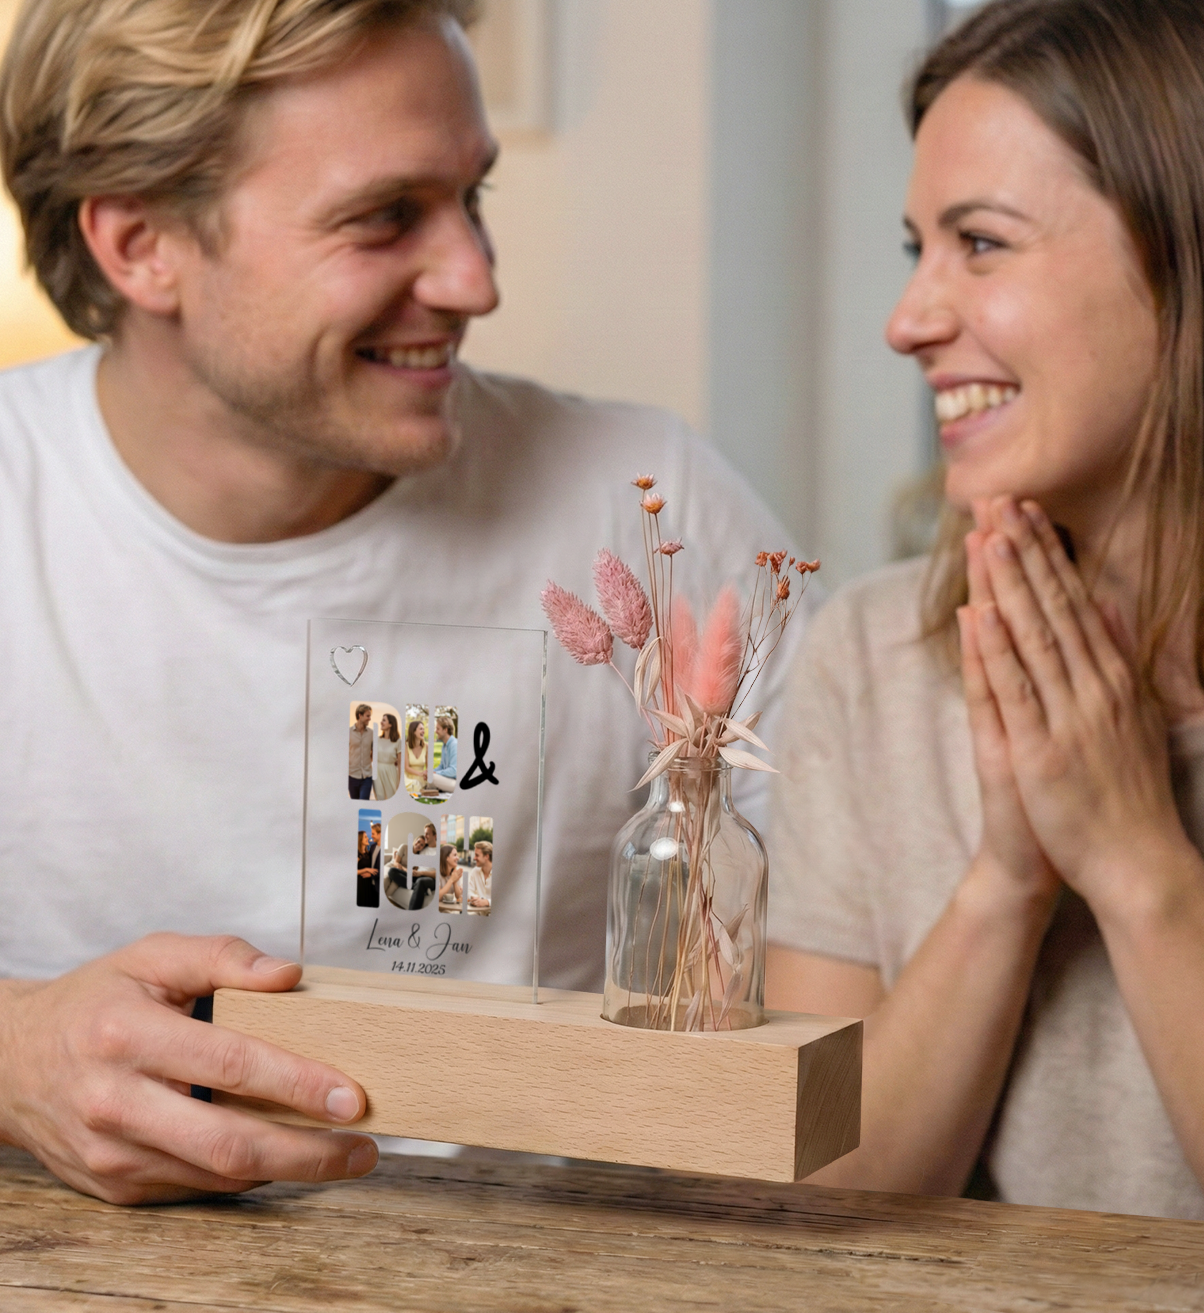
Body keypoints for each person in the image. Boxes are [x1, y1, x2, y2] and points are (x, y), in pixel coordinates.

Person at [0, 0, 801, 1205]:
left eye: (473, 197)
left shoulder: (652, 509)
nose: (475, 280)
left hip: (539, 1278)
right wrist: (13, 1054)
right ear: (139, 243)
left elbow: (857, 960)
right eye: (383, 217)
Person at [767, 0, 1204, 1230]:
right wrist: (1006, 878)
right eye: (916, 249)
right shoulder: (871, 658)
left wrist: (1136, 862)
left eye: (980, 244)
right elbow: (817, 1199)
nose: (907, 321)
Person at [386, 824, 437, 912]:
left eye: (428, 834)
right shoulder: (422, 850)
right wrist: (414, 871)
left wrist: (421, 873)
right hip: (416, 876)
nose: (425, 836)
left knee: (420, 881)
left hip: (429, 879)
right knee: (392, 871)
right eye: (425, 833)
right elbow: (412, 862)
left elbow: (438, 874)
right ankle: (418, 888)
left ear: (435, 836)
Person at [372, 712, 402, 801]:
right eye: (382, 720)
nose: (381, 722)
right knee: (379, 798)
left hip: (391, 772)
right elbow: (371, 757)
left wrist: (400, 782)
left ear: (390, 724)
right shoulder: (377, 740)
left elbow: (400, 763)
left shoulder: (398, 742)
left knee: (391, 798)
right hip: (377, 772)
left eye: (384, 720)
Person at [427, 714, 458, 793]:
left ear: (445, 730)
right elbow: (441, 766)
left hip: (456, 782)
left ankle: (433, 788)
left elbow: (454, 771)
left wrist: (435, 773)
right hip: (449, 779)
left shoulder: (454, 744)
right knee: (427, 776)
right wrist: (430, 771)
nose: (436, 731)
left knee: (432, 778)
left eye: (438, 729)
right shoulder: (444, 745)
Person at [348, 704, 374, 800]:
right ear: (360, 715)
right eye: (367, 716)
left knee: (363, 802)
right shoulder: (348, 732)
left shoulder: (371, 733)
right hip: (352, 776)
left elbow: (374, 753)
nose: (370, 718)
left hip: (367, 777)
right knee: (354, 804)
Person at [403, 718, 429, 798]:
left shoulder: (426, 746)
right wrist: (420, 773)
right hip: (408, 776)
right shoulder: (405, 746)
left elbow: (428, 767)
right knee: (413, 785)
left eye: (423, 729)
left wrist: (425, 773)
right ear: (413, 732)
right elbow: (406, 767)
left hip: (421, 777)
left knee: (417, 786)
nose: (423, 731)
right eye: (421, 729)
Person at [356, 828, 380, 908]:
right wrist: (366, 869)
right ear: (360, 840)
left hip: (369, 884)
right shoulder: (358, 854)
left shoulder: (368, 853)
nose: (368, 838)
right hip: (361, 885)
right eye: (365, 837)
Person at [465, 839, 491, 914]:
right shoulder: (475, 871)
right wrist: (474, 898)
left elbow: (505, 899)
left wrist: (487, 902)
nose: (474, 858)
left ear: (486, 856)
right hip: (478, 914)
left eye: (477, 855)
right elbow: (469, 891)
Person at [437, 844, 462, 913]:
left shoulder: (454, 873)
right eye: (455, 855)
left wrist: (455, 881)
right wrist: (451, 880)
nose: (457, 858)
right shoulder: (438, 874)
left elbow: (458, 896)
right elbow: (438, 897)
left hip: (450, 909)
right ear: (446, 858)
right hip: (438, 910)